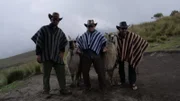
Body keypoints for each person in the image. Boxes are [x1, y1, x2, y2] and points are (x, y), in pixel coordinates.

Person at [31, 12, 72, 95]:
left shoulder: (60, 32)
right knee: (46, 75)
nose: (56, 20)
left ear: (59, 21)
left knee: (61, 72)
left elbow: (63, 42)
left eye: (57, 19)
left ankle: (63, 89)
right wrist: (38, 54)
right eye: (54, 19)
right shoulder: (43, 29)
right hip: (46, 55)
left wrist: (62, 52)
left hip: (57, 56)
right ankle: (46, 91)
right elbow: (39, 42)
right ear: (51, 19)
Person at [116, 21, 148, 90]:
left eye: (125, 28)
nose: (124, 30)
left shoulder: (132, 35)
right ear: (119, 29)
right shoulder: (117, 37)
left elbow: (141, 41)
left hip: (130, 53)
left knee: (132, 66)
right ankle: (122, 80)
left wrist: (137, 50)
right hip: (120, 54)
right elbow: (114, 45)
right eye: (122, 29)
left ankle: (132, 83)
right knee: (121, 68)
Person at [76, 20, 107, 92]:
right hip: (86, 55)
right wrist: (78, 49)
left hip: (96, 54)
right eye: (89, 26)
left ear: (94, 26)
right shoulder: (84, 35)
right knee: (85, 71)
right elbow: (79, 44)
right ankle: (87, 86)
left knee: (100, 71)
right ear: (87, 27)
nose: (90, 27)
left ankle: (103, 87)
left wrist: (104, 48)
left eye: (92, 26)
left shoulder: (98, 34)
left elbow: (103, 43)